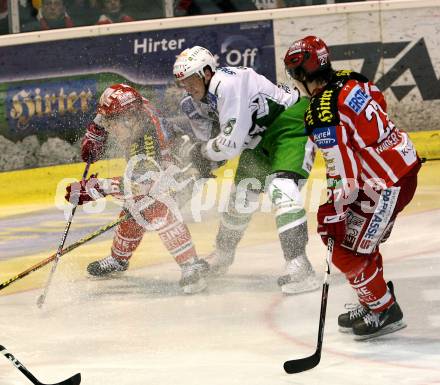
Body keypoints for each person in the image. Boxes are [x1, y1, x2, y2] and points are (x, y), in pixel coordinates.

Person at [284, 36, 421, 339]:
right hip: (401, 164)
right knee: (362, 241)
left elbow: (344, 177)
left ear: (302, 76)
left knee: (344, 248)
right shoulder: (352, 79)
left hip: (386, 183)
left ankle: (384, 309)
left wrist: (332, 211)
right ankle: (372, 299)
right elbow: (379, 103)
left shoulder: (321, 112)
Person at [173, 46, 320, 294]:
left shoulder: (226, 84)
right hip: (258, 139)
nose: (187, 86)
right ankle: (222, 255)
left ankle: (300, 266)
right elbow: (213, 148)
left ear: (207, 72)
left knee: (282, 188)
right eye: (182, 82)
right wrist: (195, 171)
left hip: (290, 123)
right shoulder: (196, 102)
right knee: (242, 196)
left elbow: (227, 146)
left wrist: (200, 154)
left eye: (190, 78)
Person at [65, 83, 210, 294]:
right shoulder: (134, 111)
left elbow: (141, 187)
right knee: (134, 210)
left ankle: (192, 265)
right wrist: (95, 132)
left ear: (129, 119)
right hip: (167, 173)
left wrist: (97, 188)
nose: (110, 128)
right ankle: (119, 260)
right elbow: (107, 113)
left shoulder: (148, 139)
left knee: (155, 207)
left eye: (112, 123)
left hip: (184, 175)